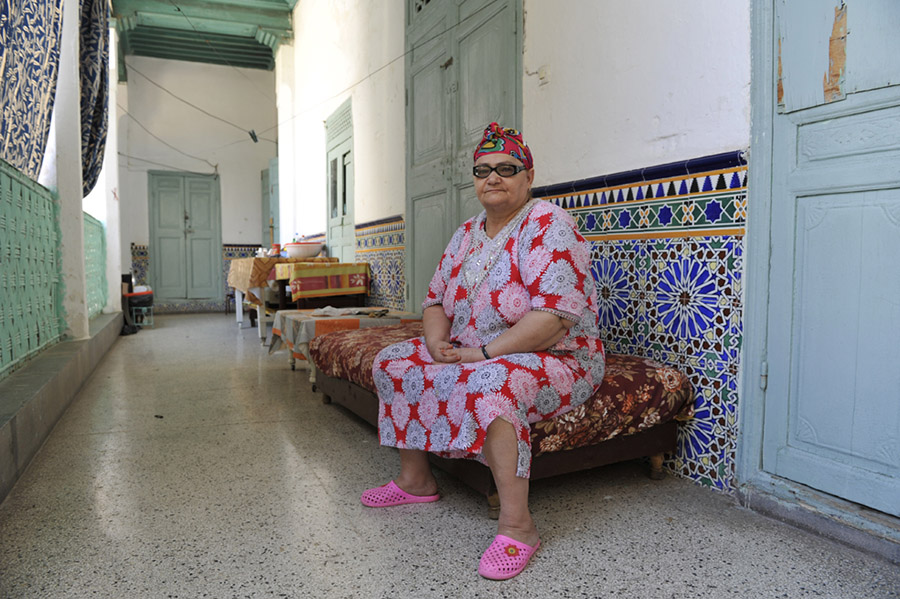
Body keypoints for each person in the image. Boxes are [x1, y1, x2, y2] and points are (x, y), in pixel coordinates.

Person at [362, 123, 605, 580]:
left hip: (557, 355)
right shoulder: (467, 232)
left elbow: (553, 318)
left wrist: (484, 354)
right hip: (474, 350)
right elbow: (434, 299)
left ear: (528, 176)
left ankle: (518, 526)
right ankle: (417, 480)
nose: (492, 178)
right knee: (393, 361)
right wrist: (437, 343)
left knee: (493, 384)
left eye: (506, 169)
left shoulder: (549, 224)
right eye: (482, 170)